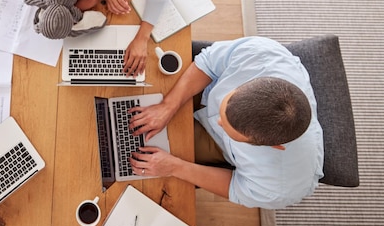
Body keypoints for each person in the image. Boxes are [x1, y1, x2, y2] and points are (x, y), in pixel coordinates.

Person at [128, 37, 324, 209]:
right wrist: (167, 106)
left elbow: (237, 188)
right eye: (225, 110)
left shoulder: (280, 186)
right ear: (251, 83)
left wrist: (175, 167)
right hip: (204, 92)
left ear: (275, 147)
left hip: (219, 146)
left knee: (141, 153)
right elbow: (209, 62)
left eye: (230, 130)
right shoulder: (261, 54)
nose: (220, 122)